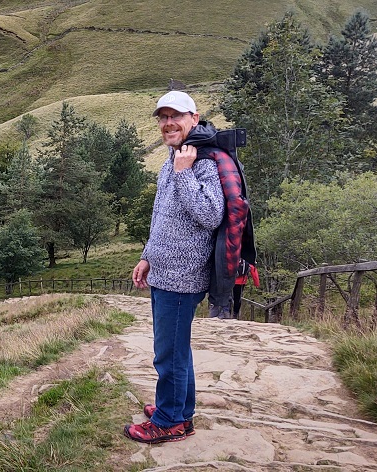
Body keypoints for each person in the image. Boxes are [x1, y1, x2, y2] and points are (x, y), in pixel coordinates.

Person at [126, 90, 227, 444]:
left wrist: (185, 172)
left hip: (184, 278)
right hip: (163, 271)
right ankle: (179, 411)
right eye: (163, 117)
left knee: (168, 353)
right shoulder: (173, 157)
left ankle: (169, 421)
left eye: (176, 116)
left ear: (193, 119)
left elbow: (211, 215)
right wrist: (147, 256)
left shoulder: (203, 161)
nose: (168, 123)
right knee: (177, 348)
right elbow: (162, 217)